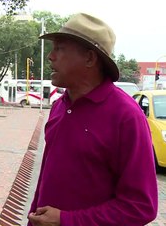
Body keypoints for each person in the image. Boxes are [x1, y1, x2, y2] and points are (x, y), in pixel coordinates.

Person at [27, 13, 158, 225]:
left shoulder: (126, 116)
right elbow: (46, 178)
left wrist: (67, 220)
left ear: (89, 58)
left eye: (59, 48)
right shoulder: (59, 106)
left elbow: (141, 206)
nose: (51, 56)